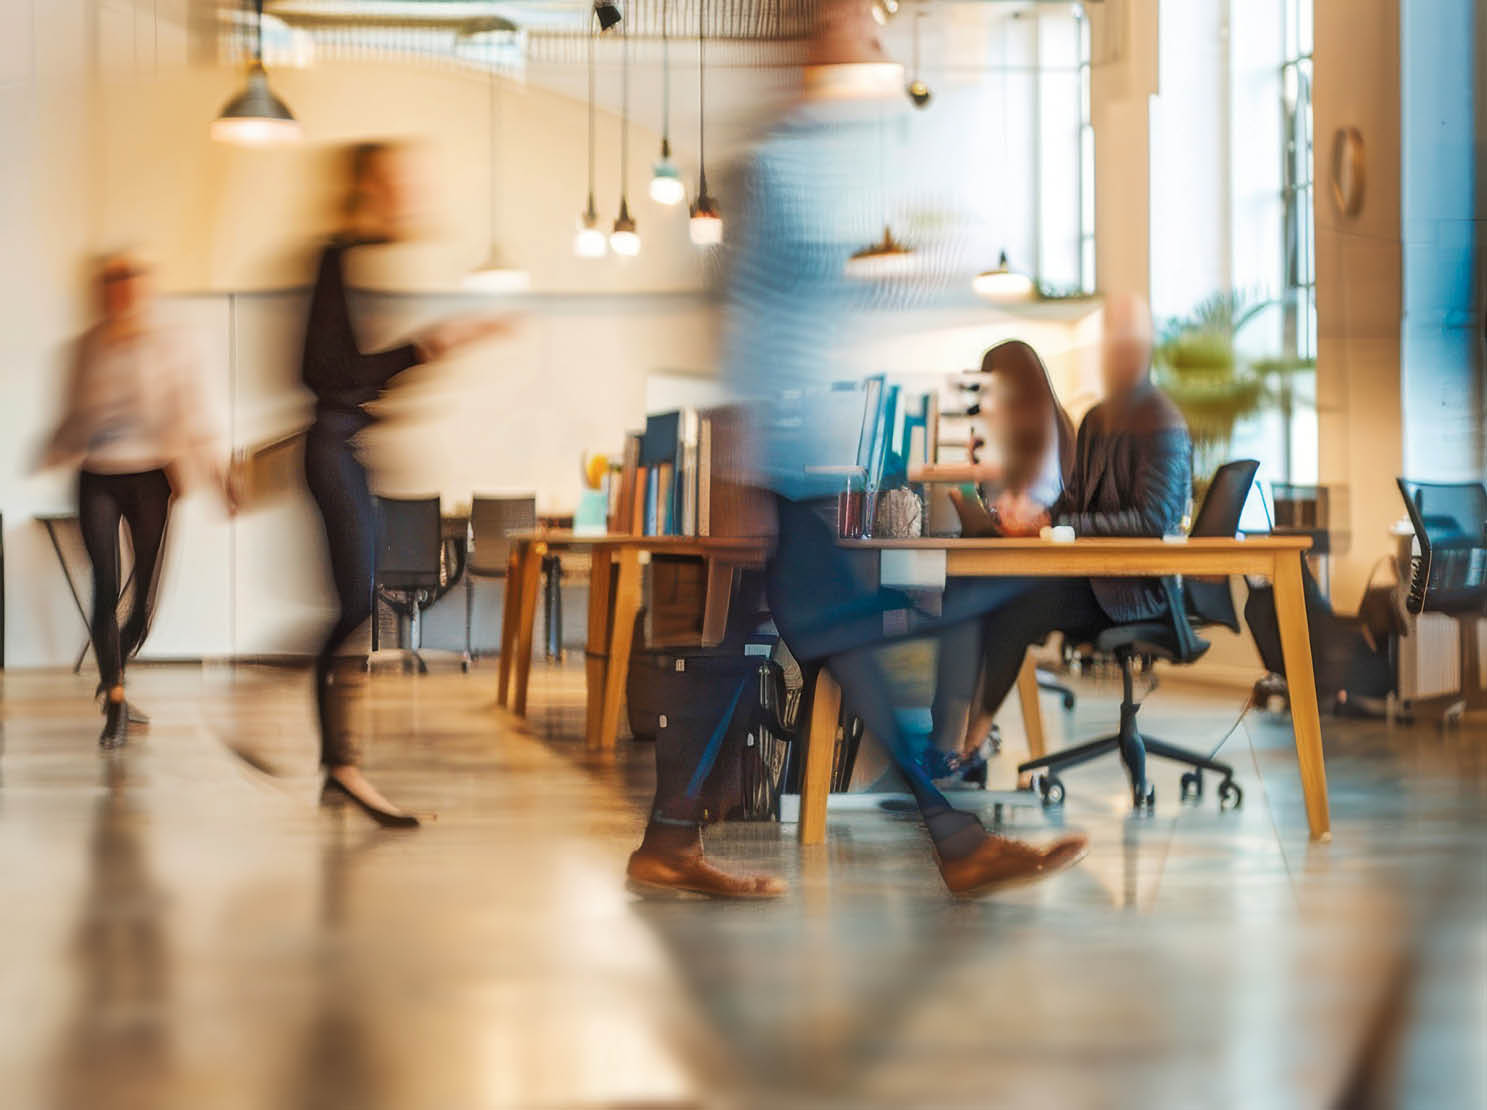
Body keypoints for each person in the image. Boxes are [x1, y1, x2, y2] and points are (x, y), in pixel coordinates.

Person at [625, 0, 1087, 899]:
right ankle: (953, 840)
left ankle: (672, 836)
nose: (871, 33)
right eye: (855, 20)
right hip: (773, 462)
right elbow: (749, 317)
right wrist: (738, 469)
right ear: (815, 32)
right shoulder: (771, 165)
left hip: (799, 459)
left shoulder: (839, 154)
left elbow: (844, 298)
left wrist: (934, 265)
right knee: (837, 644)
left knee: (781, 650)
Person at [300, 141, 506, 827]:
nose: (406, 195)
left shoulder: (355, 263)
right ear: (363, 185)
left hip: (348, 449)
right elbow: (325, 373)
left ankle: (340, 765)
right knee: (356, 606)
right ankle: (323, 747)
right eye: (394, 182)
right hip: (333, 448)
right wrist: (427, 347)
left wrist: (425, 351)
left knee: (357, 606)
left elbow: (350, 374)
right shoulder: (333, 258)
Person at [938, 292, 1195, 740]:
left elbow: (1155, 522)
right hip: (1093, 579)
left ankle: (971, 742)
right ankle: (953, 735)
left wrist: (1059, 526)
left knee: (1013, 601)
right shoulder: (1098, 419)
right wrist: (1036, 517)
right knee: (980, 589)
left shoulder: (1162, 421)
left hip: (1135, 591)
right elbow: (1074, 501)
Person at [41, 253, 234, 747]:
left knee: (143, 603)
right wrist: (56, 445)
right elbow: (72, 411)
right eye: (112, 285)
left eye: (129, 284)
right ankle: (118, 702)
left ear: (140, 291)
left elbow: (192, 411)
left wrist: (217, 473)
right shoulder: (87, 347)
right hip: (97, 476)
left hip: (152, 477)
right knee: (105, 584)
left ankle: (114, 676)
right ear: (102, 293)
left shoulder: (170, 344)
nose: (121, 294)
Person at [930, 340, 1075, 774]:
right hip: (1017, 560)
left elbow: (1027, 517)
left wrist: (967, 494)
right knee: (958, 595)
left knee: (962, 601)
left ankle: (958, 739)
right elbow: (997, 516)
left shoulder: (1042, 433)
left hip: (1041, 570)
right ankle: (960, 738)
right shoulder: (1024, 427)